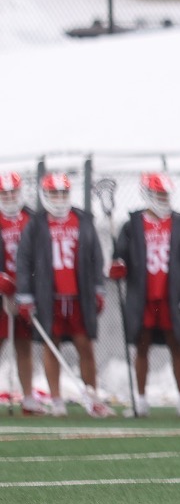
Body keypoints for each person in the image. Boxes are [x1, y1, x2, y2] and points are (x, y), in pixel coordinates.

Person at [15, 173, 110, 416]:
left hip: (79, 294)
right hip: (49, 295)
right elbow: (24, 260)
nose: (59, 199)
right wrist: (25, 295)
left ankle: (92, 396)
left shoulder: (83, 220)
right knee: (51, 346)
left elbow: (95, 257)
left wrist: (98, 288)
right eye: (54, 194)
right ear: (45, 195)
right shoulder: (36, 225)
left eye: (63, 193)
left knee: (85, 345)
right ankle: (56, 400)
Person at [110, 172, 180, 418]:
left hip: (172, 294)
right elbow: (120, 256)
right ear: (148, 194)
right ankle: (140, 400)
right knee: (142, 345)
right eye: (159, 194)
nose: (163, 198)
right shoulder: (132, 225)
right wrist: (118, 264)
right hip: (144, 295)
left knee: (176, 345)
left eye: (165, 194)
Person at [0, 172, 36, 409]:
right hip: (1, 290)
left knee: (24, 344)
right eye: (5, 193)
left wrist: (28, 288)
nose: (10, 196)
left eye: (13, 191)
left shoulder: (32, 219)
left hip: (23, 291)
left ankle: (29, 398)